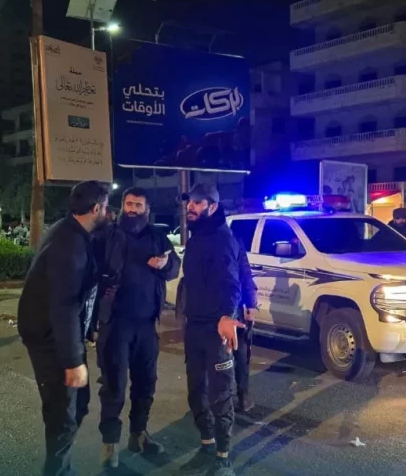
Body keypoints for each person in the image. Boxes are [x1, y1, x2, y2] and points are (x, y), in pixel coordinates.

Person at [17, 181, 109, 476]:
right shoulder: (70, 245)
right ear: (96, 208)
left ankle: (60, 467)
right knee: (63, 415)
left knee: (77, 405)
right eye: (106, 208)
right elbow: (65, 304)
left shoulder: (71, 232)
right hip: (49, 338)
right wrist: (72, 362)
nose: (108, 214)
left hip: (56, 333)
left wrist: (88, 330)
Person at [92, 187, 180, 469]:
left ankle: (139, 434)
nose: (132, 209)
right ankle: (110, 445)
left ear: (147, 209)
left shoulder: (157, 236)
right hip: (115, 324)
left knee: (146, 383)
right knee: (114, 386)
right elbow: (89, 271)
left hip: (146, 324)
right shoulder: (107, 235)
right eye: (129, 204)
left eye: (138, 205)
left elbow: (174, 267)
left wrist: (165, 265)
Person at [179, 183, 244, 476]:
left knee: (220, 394)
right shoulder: (195, 238)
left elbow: (231, 282)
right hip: (194, 326)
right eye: (189, 202)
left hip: (216, 329)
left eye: (197, 202)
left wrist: (227, 316)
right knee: (196, 391)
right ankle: (206, 445)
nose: (190, 207)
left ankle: (223, 457)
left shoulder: (223, 239)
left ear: (212, 206)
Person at [231, 213, 259, 413]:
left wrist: (250, 304)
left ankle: (242, 394)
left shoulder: (233, 242)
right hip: (218, 309)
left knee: (240, 351)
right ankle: (241, 395)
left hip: (232, 308)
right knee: (238, 352)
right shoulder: (233, 241)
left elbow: (244, 273)